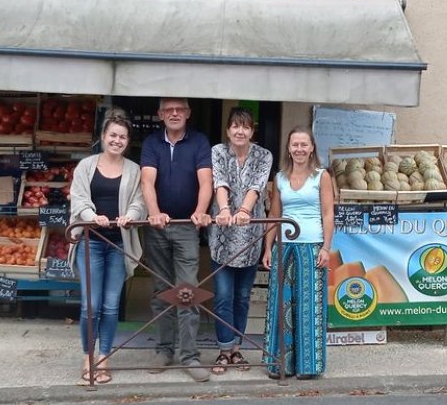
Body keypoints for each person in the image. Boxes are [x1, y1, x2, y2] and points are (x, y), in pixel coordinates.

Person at [69, 112, 146, 384]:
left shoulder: (134, 169)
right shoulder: (85, 166)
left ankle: (104, 358)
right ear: (102, 137)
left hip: (118, 245)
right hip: (91, 243)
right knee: (91, 305)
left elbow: (140, 201)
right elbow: (77, 200)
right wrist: (92, 217)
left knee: (112, 306)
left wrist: (131, 215)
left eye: (122, 137)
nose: (117, 140)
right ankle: (87, 358)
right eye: (112, 135)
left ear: (127, 141)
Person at [140, 97, 213, 382]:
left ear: (188, 113)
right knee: (161, 290)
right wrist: (154, 213)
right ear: (159, 114)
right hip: (159, 226)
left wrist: (200, 212)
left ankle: (190, 355)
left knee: (187, 290)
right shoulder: (151, 143)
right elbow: (147, 181)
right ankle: (164, 349)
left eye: (179, 109)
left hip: (185, 227)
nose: (174, 113)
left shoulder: (199, 142)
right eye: (168, 110)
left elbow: (205, 181)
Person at [262, 126, 334, 379]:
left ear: (312, 147)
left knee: (308, 306)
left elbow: (327, 213)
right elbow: (274, 215)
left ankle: (308, 365)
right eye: (295, 145)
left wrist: (326, 247)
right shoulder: (280, 177)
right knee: (281, 304)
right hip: (284, 246)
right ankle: (280, 363)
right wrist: (268, 247)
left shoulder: (321, 176)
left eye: (304, 144)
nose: (300, 149)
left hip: (311, 245)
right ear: (289, 148)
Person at [208, 108, 273, 375]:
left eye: (245, 127)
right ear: (227, 130)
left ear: (252, 131)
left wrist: (244, 211)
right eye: (235, 126)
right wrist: (224, 209)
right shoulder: (218, 151)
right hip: (222, 236)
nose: (240, 131)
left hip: (249, 237)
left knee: (242, 297)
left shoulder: (263, 155)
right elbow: (219, 182)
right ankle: (224, 350)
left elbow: (255, 187)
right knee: (223, 296)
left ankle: (236, 349)